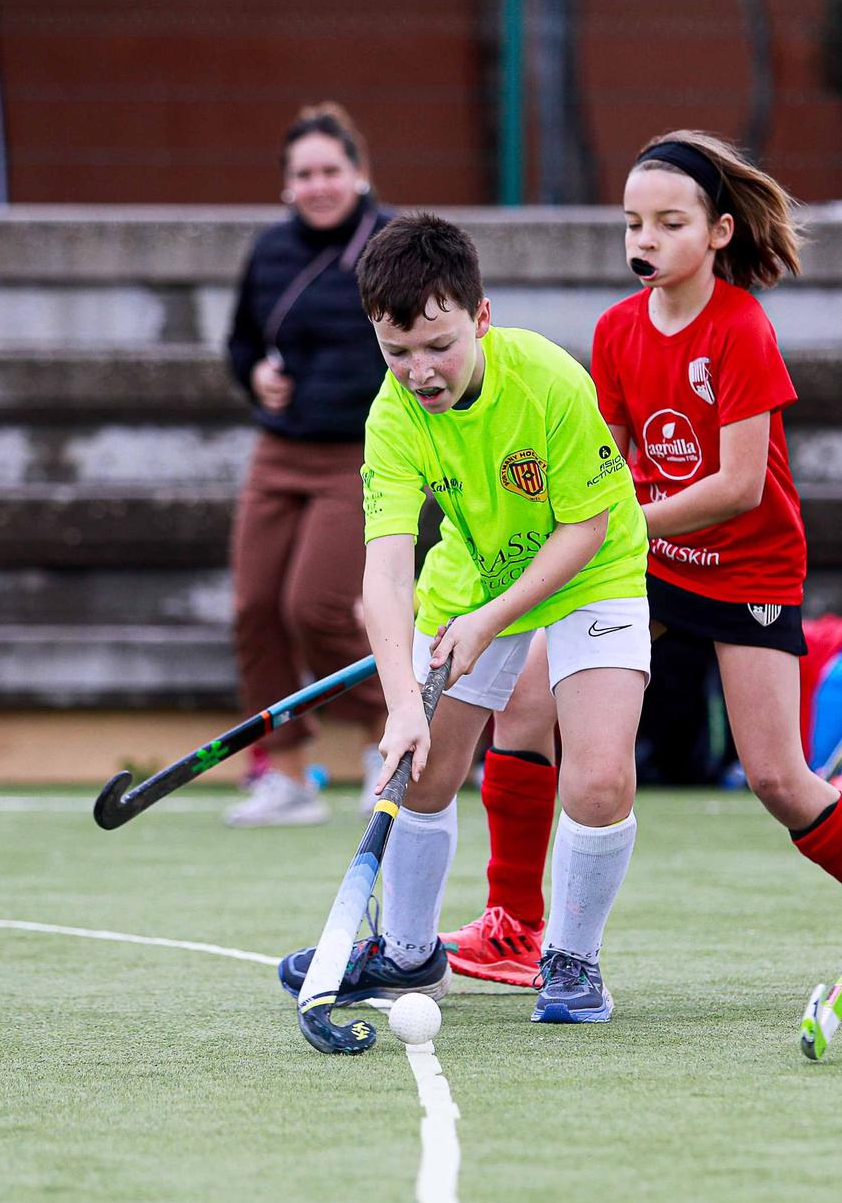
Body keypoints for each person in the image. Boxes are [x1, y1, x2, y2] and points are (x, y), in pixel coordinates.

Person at [439, 130, 842, 1002]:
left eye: (667, 223)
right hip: (643, 556)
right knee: (528, 699)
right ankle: (514, 926)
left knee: (776, 775)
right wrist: (570, 531)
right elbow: (604, 465)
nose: (642, 240)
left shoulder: (740, 329)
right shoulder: (614, 331)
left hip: (747, 566)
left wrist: (617, 524)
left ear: (720, 231)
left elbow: (733, 486)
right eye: (631, 223)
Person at [276, 212, 652, 1023]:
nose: (420, 370)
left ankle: (572, 959)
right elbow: (384, 574)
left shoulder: (548, 380)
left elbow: (586, 527)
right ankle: (409, 955)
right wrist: (404, 703)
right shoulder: (392, 416)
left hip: (591, 567)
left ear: (482, 318)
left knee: (599, 778)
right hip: (474, 572)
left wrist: (494, 623)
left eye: (439, 344)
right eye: (397, 352)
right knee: (423, 770)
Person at [221, 103, 394, 827]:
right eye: (303, 174)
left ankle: (395, 734)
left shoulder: (389, 244)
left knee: (315, 606)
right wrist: (256, 376)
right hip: (278, 448)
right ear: (286, 185)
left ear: (358, 174)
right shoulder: (268, 252)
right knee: (253, 608)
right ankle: (287, 774)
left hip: (359, 453)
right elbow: (241, 343)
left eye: (331, 170)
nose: (318, 184)